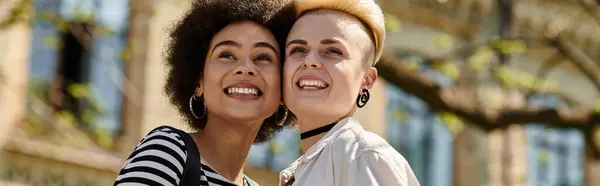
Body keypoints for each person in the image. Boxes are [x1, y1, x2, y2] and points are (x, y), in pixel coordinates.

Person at [114, 0, 295, 185]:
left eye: (263, 57)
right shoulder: (168, 151)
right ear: (198, 82)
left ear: (282, 89)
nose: (245, 68)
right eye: (227, 55)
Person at [279, 0, 420, 185]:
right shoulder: (310, 166)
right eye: (298, 50)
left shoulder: (363, 156)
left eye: (332, 51)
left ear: (367, 81)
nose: (310, 60)